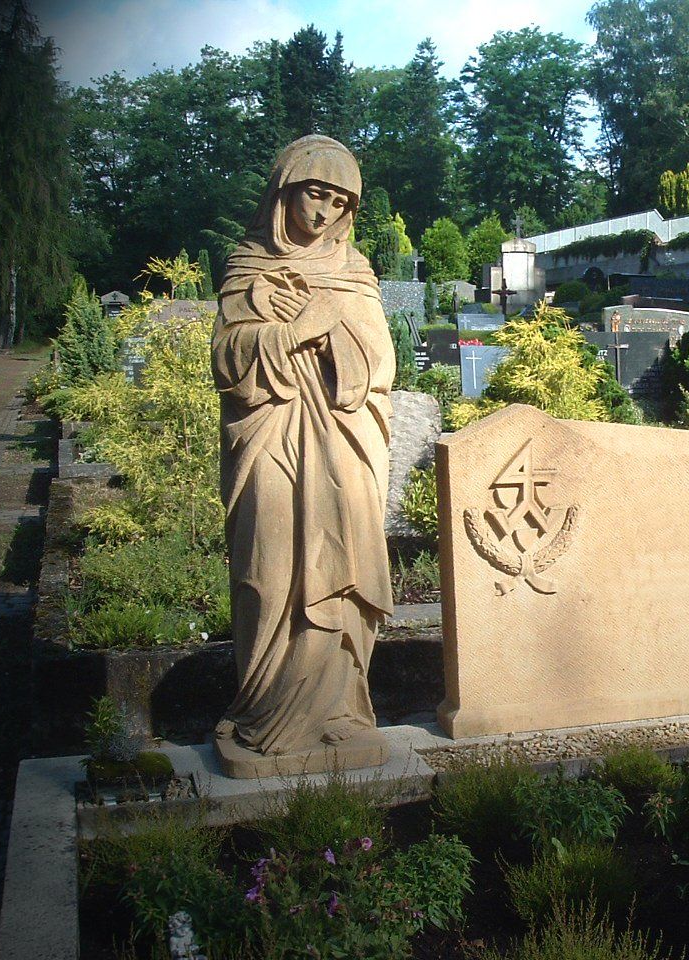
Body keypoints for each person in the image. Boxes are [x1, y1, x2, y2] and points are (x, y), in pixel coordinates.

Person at [211, 135, 394, 766]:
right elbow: (227, 360)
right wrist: (287, 334)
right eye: (315, 194)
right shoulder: (247, 266)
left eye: (339, 203)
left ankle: (338, 707)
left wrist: (330, 329)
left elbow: (379, 364)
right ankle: (265, 705)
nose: (323, 213)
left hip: (344, 438)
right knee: (270, 565)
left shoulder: (354, 271)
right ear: (285, 191)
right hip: (271, 433)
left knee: (344, 562)